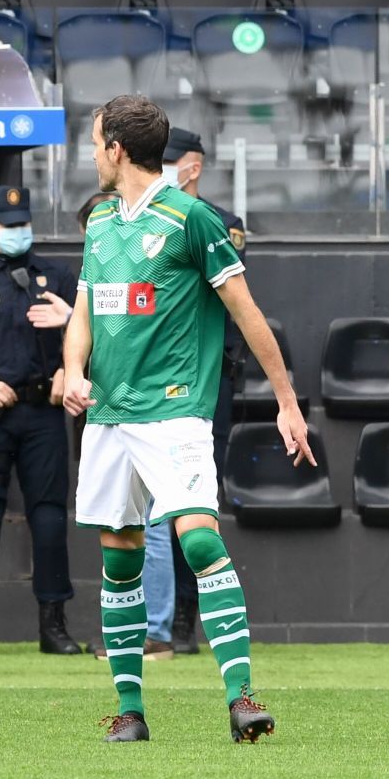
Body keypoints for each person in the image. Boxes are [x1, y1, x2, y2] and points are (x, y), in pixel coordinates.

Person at [64, 95, 311, 744]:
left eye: (94, 143)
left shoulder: (189, 218)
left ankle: (240, 697)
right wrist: (72, 370)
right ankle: (129, 711)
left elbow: (245, 311)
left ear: (116, 149)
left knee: (197, 539)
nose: (91, 155)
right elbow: (83, 310)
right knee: (117, 559)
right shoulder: (96, 225)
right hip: (109, 417)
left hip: (174, 410)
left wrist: (286, 401)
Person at [0, 185, 87, 656]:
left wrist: (68, 368)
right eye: (8, 225)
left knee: (48, 520)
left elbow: (85, 333)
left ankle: (54, 624)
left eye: (23, 224)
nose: (17, 232)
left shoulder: (58, 276)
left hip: (43, 412)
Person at [142, 127, 251, 660]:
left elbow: (232, 303)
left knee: (196, 502)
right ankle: (166, 619)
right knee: (161, 509)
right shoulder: (141, 219)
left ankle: (189, 614)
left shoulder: (218, 223)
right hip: (155, 383)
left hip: (208, 381)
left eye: (170, 161)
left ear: (194, 166)